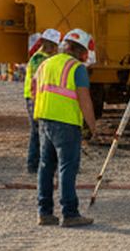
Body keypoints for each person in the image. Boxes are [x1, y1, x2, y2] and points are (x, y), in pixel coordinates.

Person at [33, 28, 98, 227]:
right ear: (82, 51)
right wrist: (92, 127)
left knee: (45, 167)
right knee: (67, 168)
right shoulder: (76, 68)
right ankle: (70, 214)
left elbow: (34, 91)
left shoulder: (45, 63)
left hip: (44, 120)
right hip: (66, 123)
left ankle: (44, 212)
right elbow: (84, 99)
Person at [23, 28, 61, 175]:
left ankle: (38, 164)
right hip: (35, 97)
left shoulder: (43, 57)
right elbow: (37, 82)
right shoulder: (40, 59)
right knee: (38, 131)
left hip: (39, 96)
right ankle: (34, 164)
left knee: (40, 131)